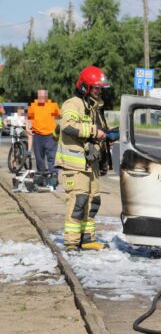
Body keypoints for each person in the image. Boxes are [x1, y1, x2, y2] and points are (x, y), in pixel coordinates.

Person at [55, 66, 110, 251]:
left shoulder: (94, 107)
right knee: (78, 202)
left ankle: (87, 240)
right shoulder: (73, 104)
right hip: (75, 164)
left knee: (93, 202)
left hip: (91, 163)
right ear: (85, 87)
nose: (99, 91)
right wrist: (95, 131)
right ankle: (71, 243)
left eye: (100, 88)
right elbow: (68, 126)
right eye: (96, 87)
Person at [28, 89, 60, 172]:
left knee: (52, 158)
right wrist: (27, 128)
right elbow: (29, 118)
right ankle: (42, 177)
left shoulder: (53, 105)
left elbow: (59, 116)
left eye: (43, 96)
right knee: (39, 159)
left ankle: (53, 178)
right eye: (40, 96)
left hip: (51, 136)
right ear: (37, 96)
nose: (41, 98)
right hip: (38, 136)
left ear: (47, 96)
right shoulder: (33, 106)